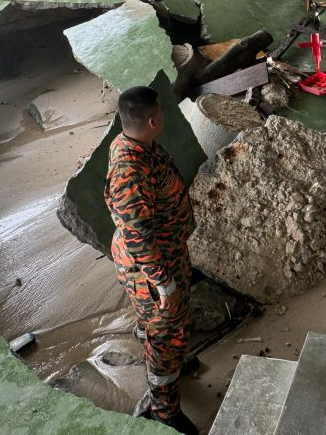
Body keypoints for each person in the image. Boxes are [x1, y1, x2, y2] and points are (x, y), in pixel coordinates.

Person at [104, 86, 198, 435]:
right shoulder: (130, 170)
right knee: (165, 335)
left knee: (155, 327)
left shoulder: (130, 142)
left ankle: (166, 361)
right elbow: (138, 237)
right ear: (153, 119)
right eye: (160, 109)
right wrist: (164, 283)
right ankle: (164, 409)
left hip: (164, 253)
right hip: (151, 267)